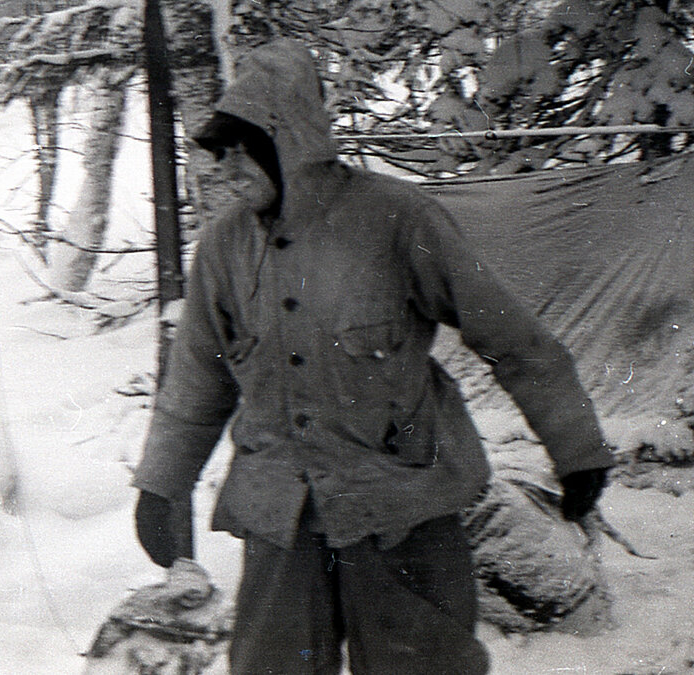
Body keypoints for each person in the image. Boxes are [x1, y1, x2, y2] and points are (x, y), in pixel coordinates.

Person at [131, 40, 615, 674]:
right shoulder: (223, 248)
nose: (225, 166)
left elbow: (512, 339)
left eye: (238, 147)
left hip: (402, 504)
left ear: (289, 141)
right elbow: (198, 380)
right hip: (282, 513)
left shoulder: (397, 218)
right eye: (216, 151)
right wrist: (162, 484)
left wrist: (576, 451)